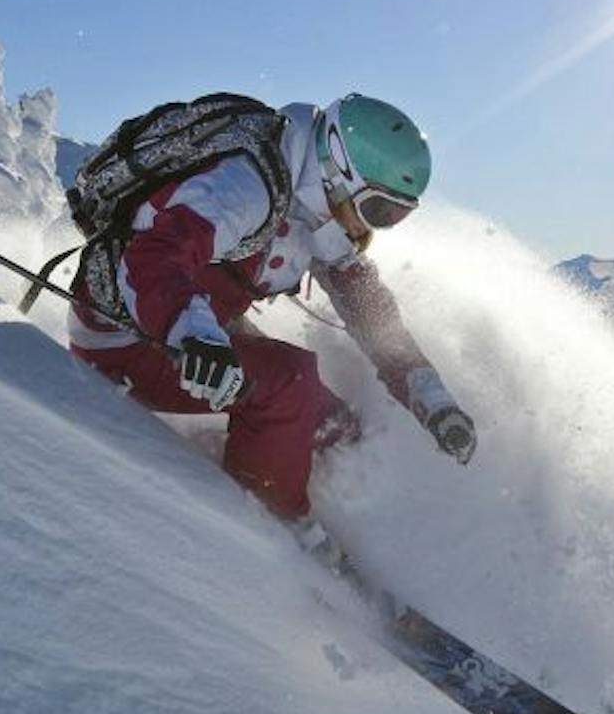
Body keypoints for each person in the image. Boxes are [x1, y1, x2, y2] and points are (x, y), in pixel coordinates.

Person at [64, 93, 475, 530]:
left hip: (191, 327)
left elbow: (371, 315)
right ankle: (269, 533)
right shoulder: (245, 188)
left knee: (333, 424)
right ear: (339, 170)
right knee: (290, 382)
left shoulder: (317, 205)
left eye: (396, 215)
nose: (374, 227)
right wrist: (192, 334)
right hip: (126, 334)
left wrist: (432, 400)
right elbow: (154, 257)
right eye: (378, 209)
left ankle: (309, 501)